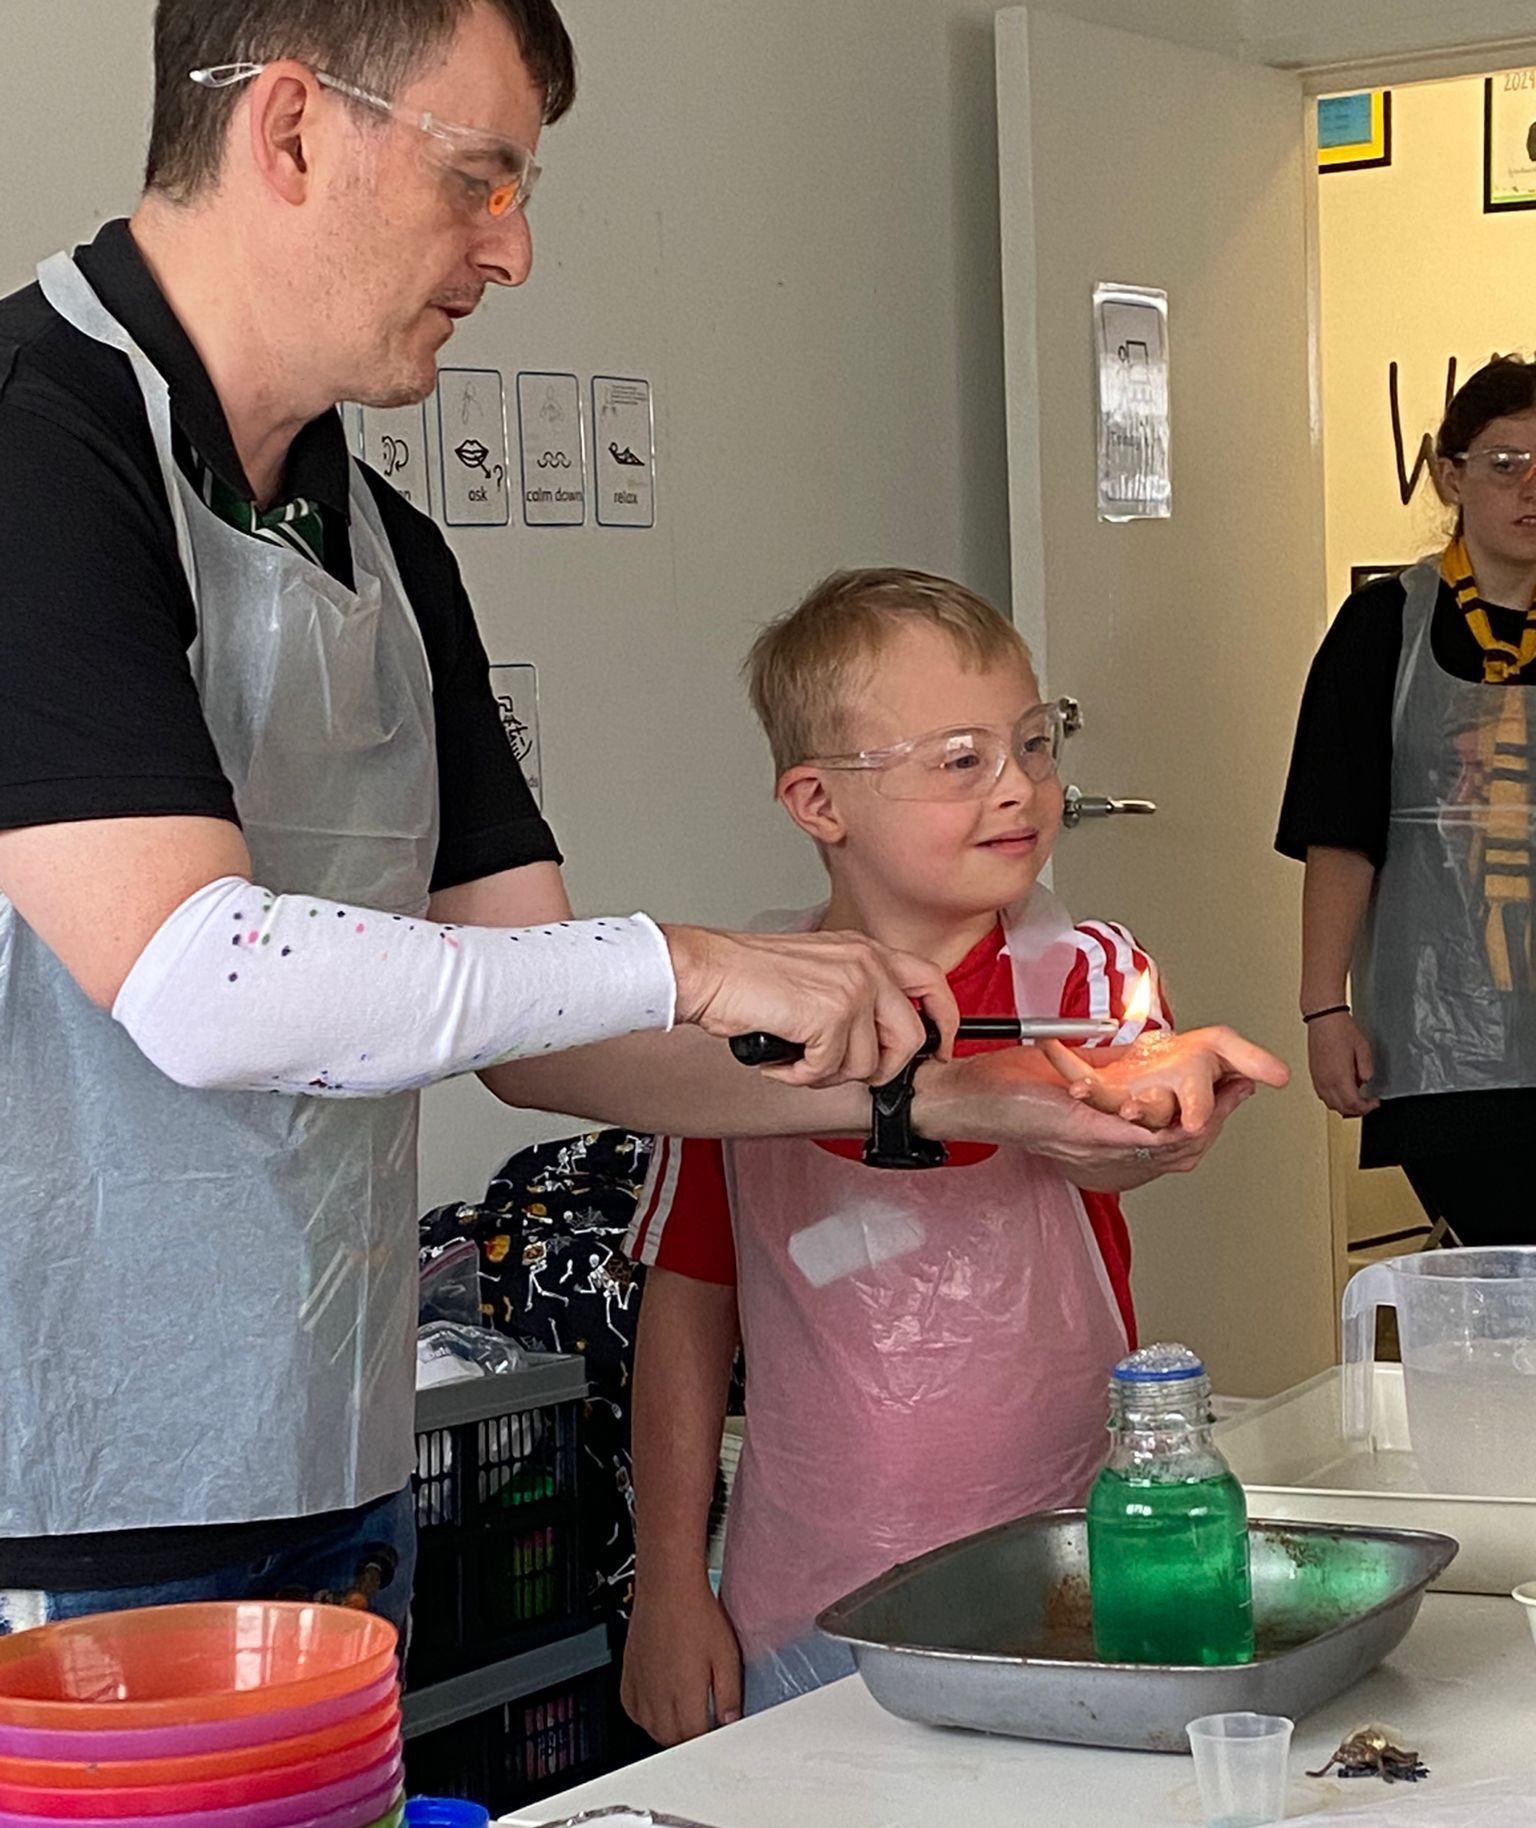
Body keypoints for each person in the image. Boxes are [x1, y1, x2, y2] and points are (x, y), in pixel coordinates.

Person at [0, 1, 1279, 1639]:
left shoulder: (381, 541)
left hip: (320, 1445)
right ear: (296, 129)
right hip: (66, 1490)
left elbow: (545, 1027)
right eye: (480, 179)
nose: (514, 249)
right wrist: (698, 960)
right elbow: (199, 978)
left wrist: (983, 1094)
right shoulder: (42, 445)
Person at [619, 569, 1288, 1739]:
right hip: (804, 1595)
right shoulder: (736, 1017)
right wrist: (672, 1580)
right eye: (962, 758)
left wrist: (1151, 1104)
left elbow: (1110, 1134)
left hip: (1069, 1570)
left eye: (1035, 743)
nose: (1021, 786)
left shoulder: (1083, 975)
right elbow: (690, 1296)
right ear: (819, 801)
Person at [1278, 355, 1536, 1246]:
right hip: (1442, 1034)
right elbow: (1338, 836)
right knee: (1500, 1279)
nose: (1531, 487)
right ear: (1450, 473)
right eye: (1507, 463)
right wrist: (1325, 1009)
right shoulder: (1382, 625)